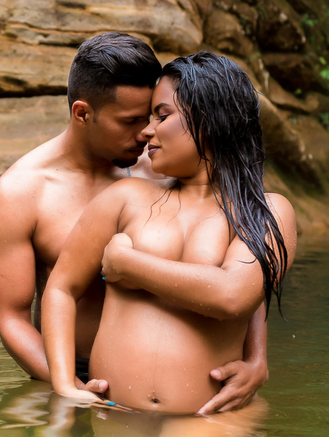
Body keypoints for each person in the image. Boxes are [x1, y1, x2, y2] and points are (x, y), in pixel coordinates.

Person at [0, 34, 269, 414]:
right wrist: (68, 385)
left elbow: (243, 258)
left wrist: (257, 359)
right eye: (130, 122)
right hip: (76, 370)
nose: (145, 133)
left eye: (153, 116)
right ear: (83, 113)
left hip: (192, 377)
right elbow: (12, 319)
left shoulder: (167, 164)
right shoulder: (21, 194)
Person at [41, 50, 298, 412]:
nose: (147, 131)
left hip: (207, 421)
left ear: (209, 121)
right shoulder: (124, 198)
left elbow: (234, 296)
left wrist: (128, 264)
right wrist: (65, 384)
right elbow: (61, 288)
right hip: (112, 415)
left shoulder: (266, 211)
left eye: (162, 116)